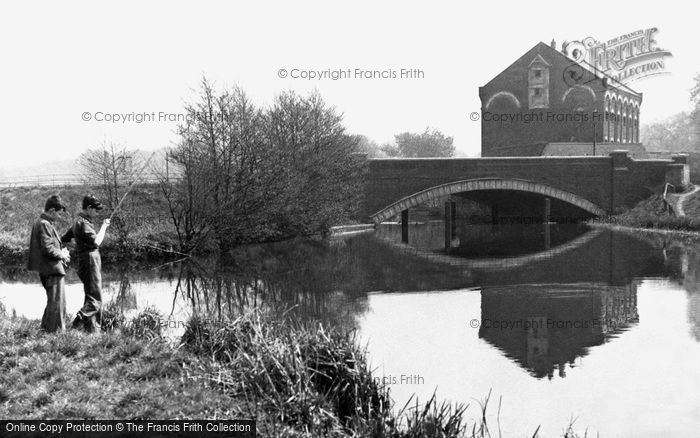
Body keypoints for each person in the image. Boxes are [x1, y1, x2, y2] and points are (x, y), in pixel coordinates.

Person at [61, 194, 110, 332]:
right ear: (88, 208)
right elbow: (96, 242)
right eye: (95, 209)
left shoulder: (77, 221)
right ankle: (77, 323)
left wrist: (76, 247)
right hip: (90, 260)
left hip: (84, 260)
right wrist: (104, 227)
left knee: (91, 294)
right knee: (96, 299)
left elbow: (64, 239)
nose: (97, 212)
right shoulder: (84, 223)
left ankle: (93, 330)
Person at [27, 195, 71, 332]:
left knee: (53, 301)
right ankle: (55, 334)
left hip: (48, 268)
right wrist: (62, 254)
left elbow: (48, 246)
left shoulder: (42, 222)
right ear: (52, 210)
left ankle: (45, 330)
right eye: (58, 213)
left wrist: (60, 250)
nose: (59, 217)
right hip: (51, 269)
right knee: (57, 303)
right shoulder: (44, 224)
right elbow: (47, 249)